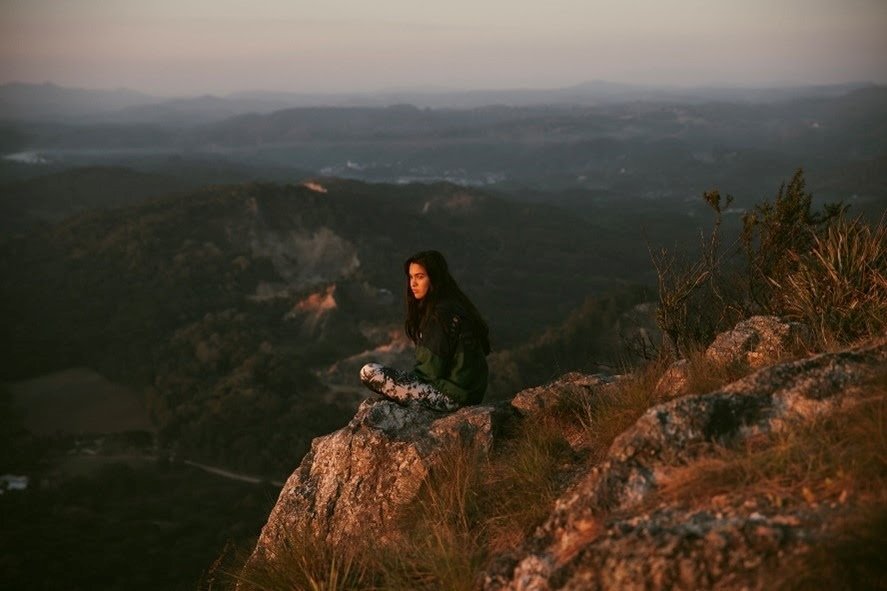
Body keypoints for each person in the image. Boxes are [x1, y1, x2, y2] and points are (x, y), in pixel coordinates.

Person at [360, 250, 491, 411]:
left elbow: (430, 372)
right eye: (411, 277)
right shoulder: (454, 306)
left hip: (452, 397)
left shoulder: (440, 315)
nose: (413, 283)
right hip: (467, 394)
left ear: (435, 279)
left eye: (420, 277)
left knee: (369, 372)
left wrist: (406, 383)